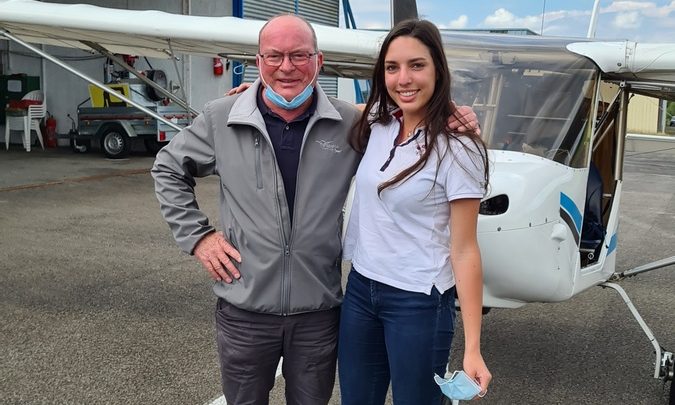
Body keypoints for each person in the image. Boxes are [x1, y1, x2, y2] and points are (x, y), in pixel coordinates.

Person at [152, 14, 480, 405]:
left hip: (319, 313)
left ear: (318, 62)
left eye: (299, 55)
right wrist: (199, 237)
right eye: (273, 57)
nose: (286, 66)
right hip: (247, 311)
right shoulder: (223, 118)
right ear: (258, 62)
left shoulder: (348, 124)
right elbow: (168, 168)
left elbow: (401, 108)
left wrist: (450, 112)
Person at [338, 19, 492, 405]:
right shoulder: (380, 122)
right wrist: (259, 93)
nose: (403, 78)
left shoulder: (460, 148)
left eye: (417, 65)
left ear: (438, 68)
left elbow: (465, 250)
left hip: (418, 300)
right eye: (392, 68)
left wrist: (472, 347)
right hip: (360, 288)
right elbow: (329, 110)